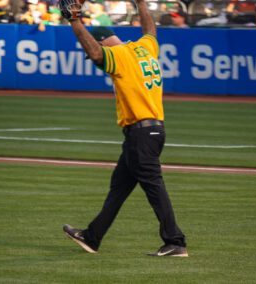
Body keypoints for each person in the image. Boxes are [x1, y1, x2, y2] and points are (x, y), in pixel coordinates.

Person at [59, 0, 188, 257]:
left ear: (104, 42)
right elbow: (151, 30)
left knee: (154, 187)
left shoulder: (118, 57)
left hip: (142, 134)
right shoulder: (144, 49)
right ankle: (92, 237)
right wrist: (141, 3)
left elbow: (96, 54)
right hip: (148, 133)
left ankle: (175, 241)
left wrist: (74, 20)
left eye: (93, 47)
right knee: (119, 188)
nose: (90, 55)